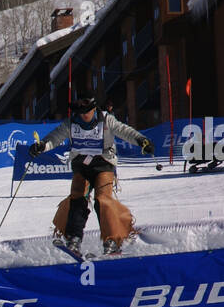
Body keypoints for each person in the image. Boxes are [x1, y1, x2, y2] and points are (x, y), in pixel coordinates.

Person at [29, 95, 152, 254]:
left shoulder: (106, 120)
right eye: (81, 112)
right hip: (82, 166)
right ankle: (74, 238)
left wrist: (141, 140)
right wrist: (42, 146)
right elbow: (55, 137)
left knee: (103, 199)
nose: (84, 115)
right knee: (77, 197)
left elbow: (124, 131)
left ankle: (112, 240)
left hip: (103, 164)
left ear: (94, 108)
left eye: (87, 111)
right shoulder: (72, 123)